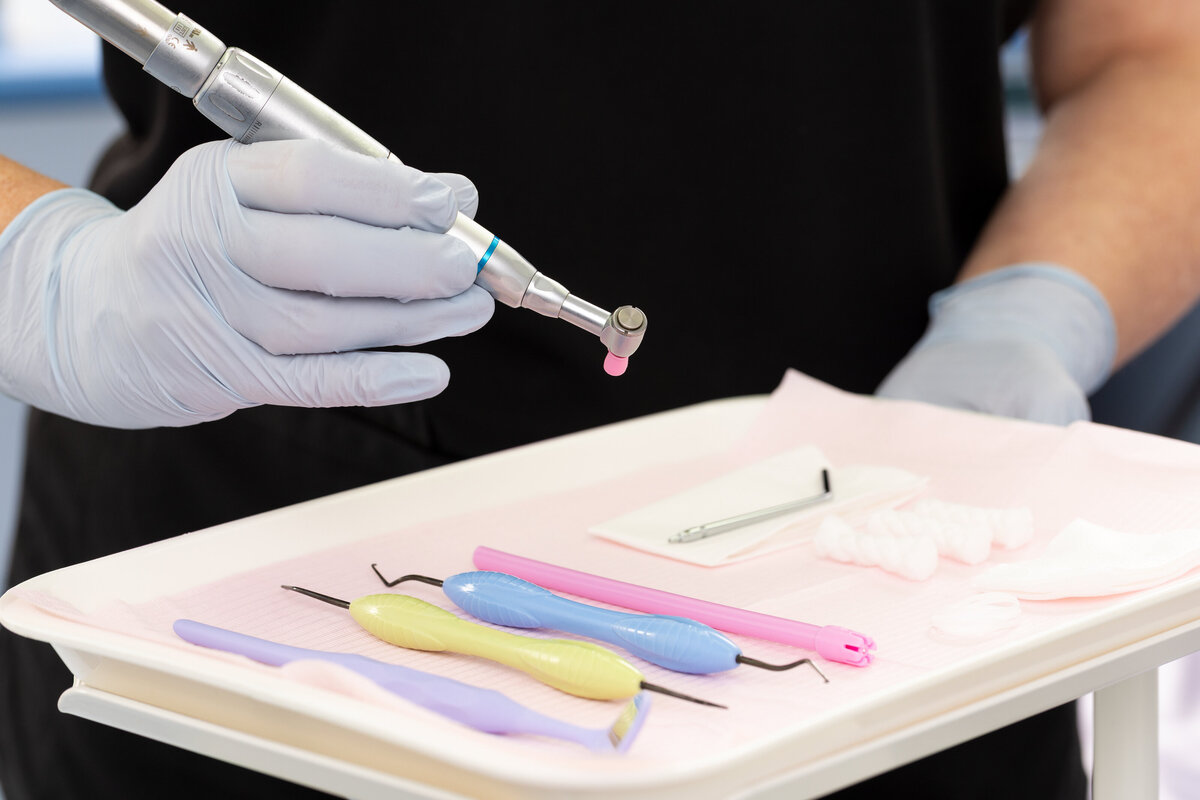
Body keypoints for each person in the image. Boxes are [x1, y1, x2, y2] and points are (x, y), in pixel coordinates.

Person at [2, 1, 1199, 797]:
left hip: (900, 591)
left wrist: (1036, 310)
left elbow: (1154, 50)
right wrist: (40, 273)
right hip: (254, 558)